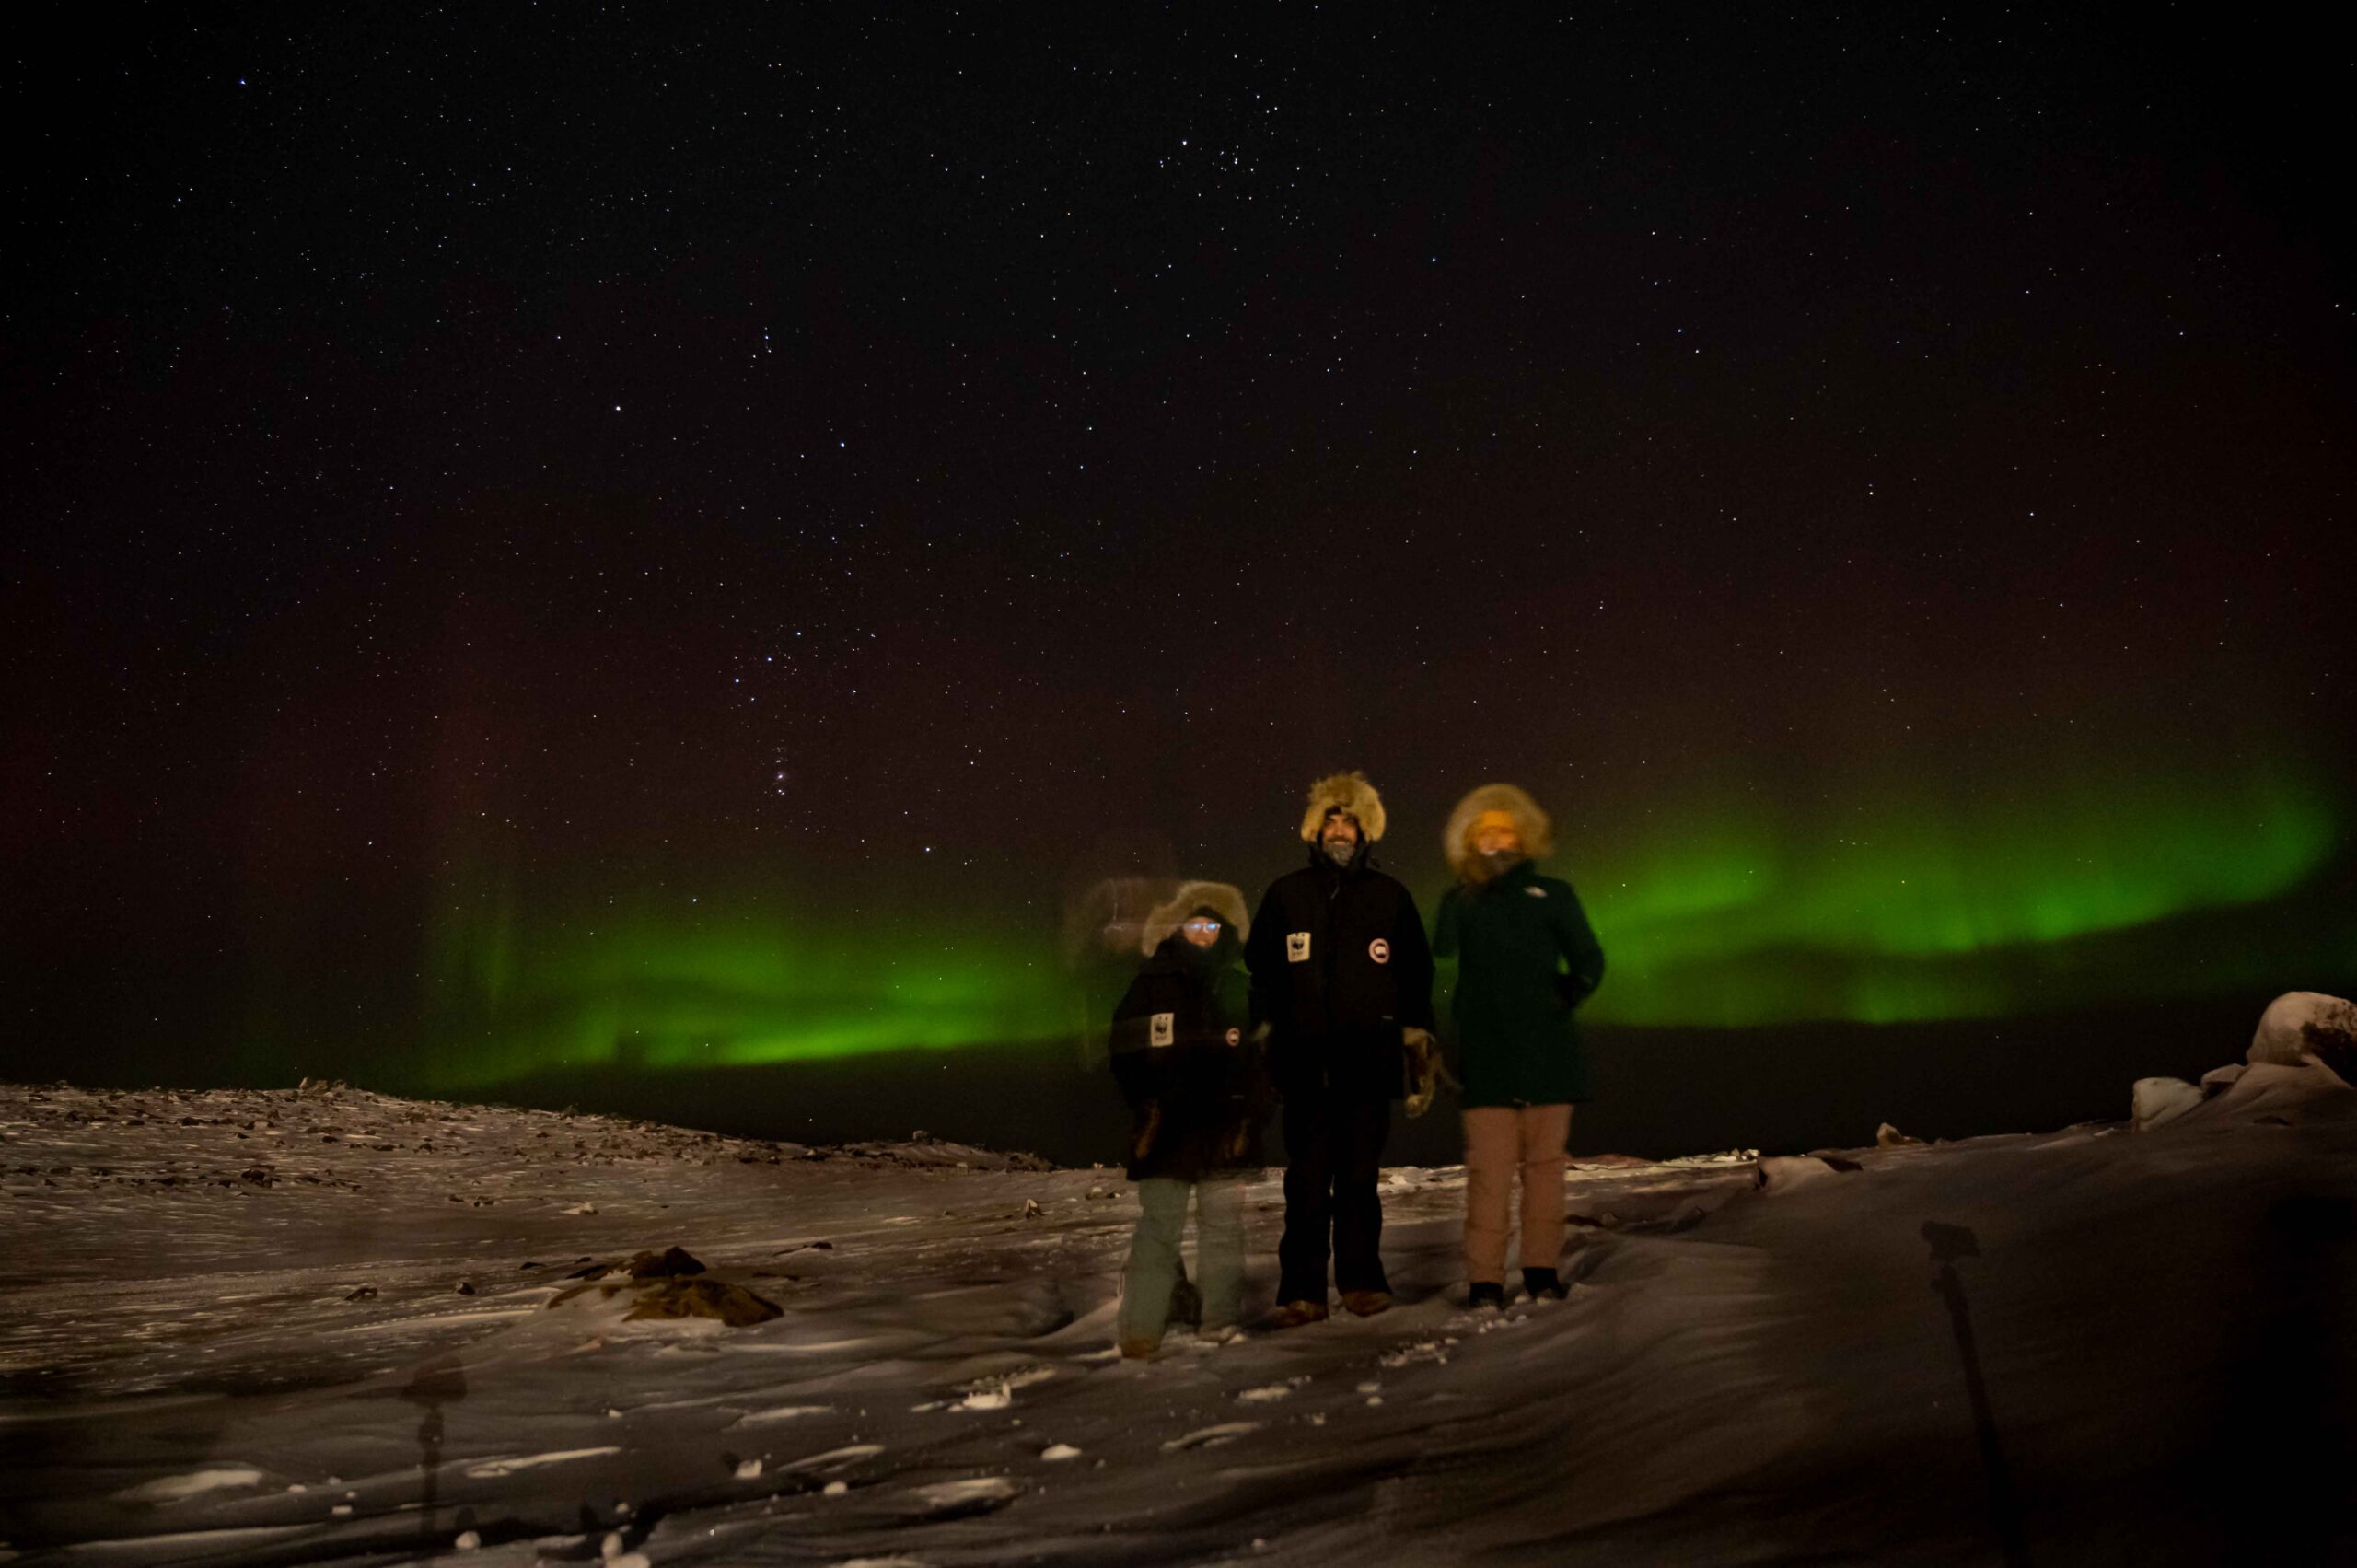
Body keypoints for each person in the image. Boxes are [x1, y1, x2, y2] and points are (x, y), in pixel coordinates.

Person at [1246, 772, 1435, 1324]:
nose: (1339, 829)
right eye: (1330, 819)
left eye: (1349, 820)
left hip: (1367, 1065)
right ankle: (1301, 1292)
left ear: (1366, 830)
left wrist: (1417, 1041)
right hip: (1303, 1067)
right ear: (1314, 829)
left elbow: (1415, 975)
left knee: (1358, 1181)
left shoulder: (1390, 897)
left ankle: (1361, 1283)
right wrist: (1264, 1045)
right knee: (1304, 1182)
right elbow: (1261, 974)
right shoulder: (1286, 895)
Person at [1433, 784, 1606, 1309]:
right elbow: (1440, 949)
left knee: (1545, 1175)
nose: (1495, 840)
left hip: (1548, 1060)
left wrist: (1563, 994)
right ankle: (1485, 1281)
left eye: (1504, 830)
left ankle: (1540, 1272)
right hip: (1485, 1063)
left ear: (1524, 836)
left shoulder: (1554, 894)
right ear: (1470, 841)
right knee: (1488, 1177)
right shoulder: (1462, 901)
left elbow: (1588, 961)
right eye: (1484, 833)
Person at [1109, 881, 1267, 1358]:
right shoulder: (1150, 985)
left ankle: (1220, 1324)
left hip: (1224, 1132)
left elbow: (1265, 1061)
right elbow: (1124, 1050)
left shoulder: (1241, 987)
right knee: (1158, 1231)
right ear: (1178, 928)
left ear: (1225, 931)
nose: (1203, 932)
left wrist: (1250, 1116)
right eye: (1195, 924)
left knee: (1223, 1231)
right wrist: (1147, 1105)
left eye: (1212, 925)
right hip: (1167, 1134)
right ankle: (1141, 1332)